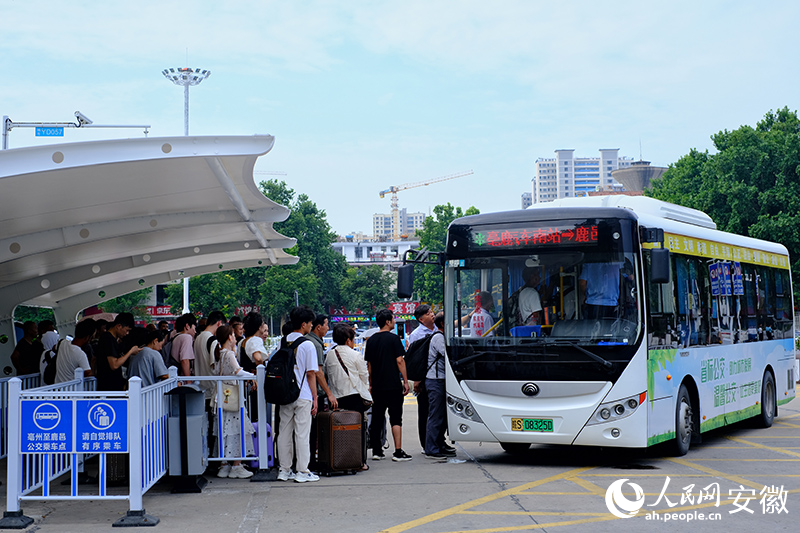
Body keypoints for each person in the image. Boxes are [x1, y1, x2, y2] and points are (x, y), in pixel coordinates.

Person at [276, 306, 320, 483]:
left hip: (285, 393)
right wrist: (315, 397)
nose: (311, 326)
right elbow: (311, 374)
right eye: (310, 323)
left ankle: (284, 470)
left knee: (284, 432)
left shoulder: (283, 341)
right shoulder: (307, 344)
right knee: (302, 433)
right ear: (303, 325)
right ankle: (302, 471)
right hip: (303, 394)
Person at [365, 308, 412, 462]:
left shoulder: (371, 340)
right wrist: (405, 381)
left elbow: (369, 366)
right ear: (387, 321)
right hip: (392, 385)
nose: (394, 321)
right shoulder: (393, 339)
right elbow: (400, 360)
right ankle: (398, 452)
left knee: (377, 417)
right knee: (396, 418)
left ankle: (377, 451)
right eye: (392, 318)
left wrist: (371, 384)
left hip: (378, 386)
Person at [324, 323, 371, 469]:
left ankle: (341, 457)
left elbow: (326, 374)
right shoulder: (356, 355)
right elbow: (364, 376)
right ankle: (360, 461)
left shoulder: (329, 355)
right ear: (348, 340)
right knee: (358, 429)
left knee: (340, 428)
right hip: (354, 396)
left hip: (336, 397)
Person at [214, 324, 256, 479]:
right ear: (229, 337)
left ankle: (223, 464)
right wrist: (255, 376)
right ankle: (236, 466)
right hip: (233, 396)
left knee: (224, 431)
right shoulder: (229, 354)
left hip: (222, 397)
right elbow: (238, 372)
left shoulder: (219, 353)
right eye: (233, 334)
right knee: (238, 430)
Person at [305, 314, 338, 469]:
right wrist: (329, 393)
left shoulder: (309, 341)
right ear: (318, 327)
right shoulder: (315, 344)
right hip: (314, 392)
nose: (327, 328)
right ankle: (311, 463)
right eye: (326, 324)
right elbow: (317, 372)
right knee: (312, 430)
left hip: (306, 391)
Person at [424, 312, 456, 459]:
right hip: (435, 380)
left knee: (442, 415)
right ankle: (431, 448)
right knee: (435, 415)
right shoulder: (438, 337)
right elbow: (448, 355)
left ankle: (440, 444)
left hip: (442, 380)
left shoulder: (442, 336)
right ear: (443, 324)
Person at [407, 305, 436, 453]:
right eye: (428, 313)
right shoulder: (417, 334)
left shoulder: (438, 329)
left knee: (437, 411)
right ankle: (426, 444)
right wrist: (416, 379)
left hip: (438, 376)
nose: (432, 314)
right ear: (420, 319)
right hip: (423, 377)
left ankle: (438, 441)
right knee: (425, 410)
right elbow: (414, 359)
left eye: (431, 312)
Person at [95, 313, 141, 391]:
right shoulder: (108, 339)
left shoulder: (113, 340)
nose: (127, 333)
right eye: (127, 330)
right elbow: (114, 365)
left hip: (113, 385)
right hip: (108, 387)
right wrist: (131, 352)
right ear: (119, 326)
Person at [194, 310, 226, 402]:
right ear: (219, 323)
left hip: (200, 387)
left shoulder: (198, 338)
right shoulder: (213, 340)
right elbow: (215, 365)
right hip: (212, 389)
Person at [54, 319, 95, 383]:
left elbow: (54, 348)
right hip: (71, 389)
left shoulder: (62, 343)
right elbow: (88, 373)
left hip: (58, 387)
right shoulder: (80, 354)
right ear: (87, 337)